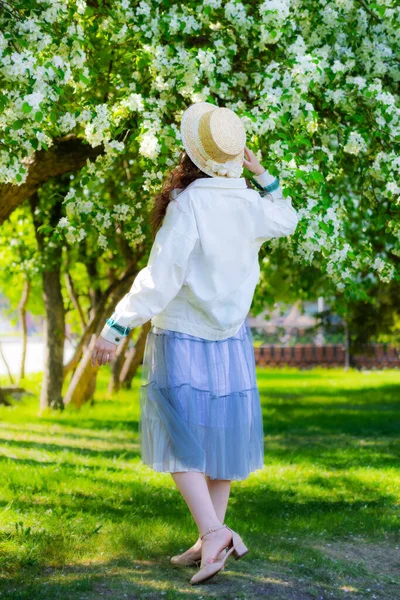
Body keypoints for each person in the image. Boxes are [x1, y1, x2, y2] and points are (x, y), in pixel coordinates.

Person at [91, 102, 298, 585]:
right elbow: (286, 218)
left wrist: (116, 327)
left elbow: (160, 278)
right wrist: (263, 174)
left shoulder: (189, 204)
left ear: (192, 153)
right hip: (230, 339)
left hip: (182, 333)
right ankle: (208, 536)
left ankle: (213, 531)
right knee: (219, 438)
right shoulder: (249, 202)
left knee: (179, 437)